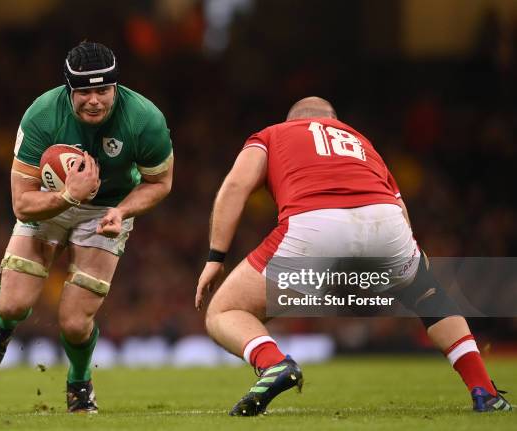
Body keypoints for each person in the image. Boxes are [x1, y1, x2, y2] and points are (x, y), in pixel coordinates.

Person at [195, 97, 511, 416]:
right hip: (385, 222)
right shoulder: (360, 141)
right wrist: (399, 271)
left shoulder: (272, 134)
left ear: (292, 120)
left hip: (313, 225)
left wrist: (215, 257)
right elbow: (400, 211)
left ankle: (274, 365)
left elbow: (236, 185)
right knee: (434, 300)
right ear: (334, 120)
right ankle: (484, 391)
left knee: (225, 311)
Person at [0, 41, 174, 413]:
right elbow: (21, 202)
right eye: (84, 92)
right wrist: (68, 196)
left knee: (75, 323)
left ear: (116, 87)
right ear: (69, 89)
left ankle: (79, 383)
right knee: (14, 303)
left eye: (103, 90)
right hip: (51, 203)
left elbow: (160, 182)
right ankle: (1, 327)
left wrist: (123, 212)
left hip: (106, 210)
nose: (94, 100)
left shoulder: (145, 119)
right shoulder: (42, 116)